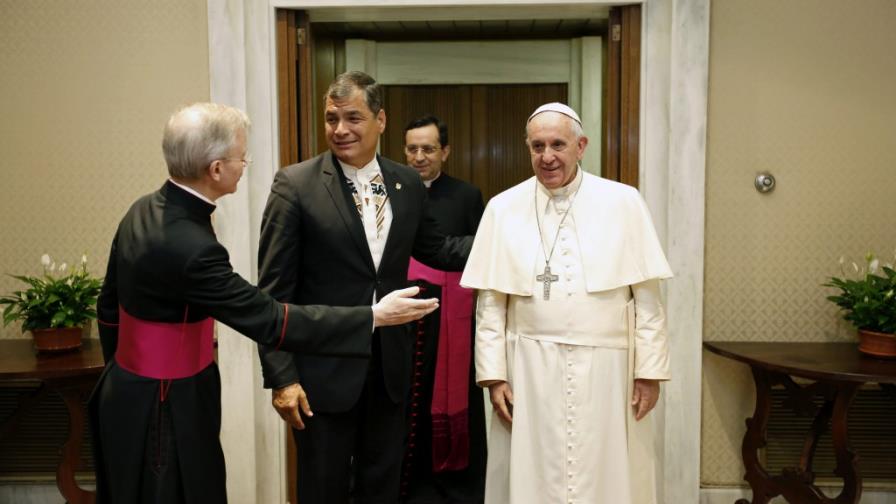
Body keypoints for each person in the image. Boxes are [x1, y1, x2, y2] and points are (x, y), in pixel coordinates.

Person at [89, 102, 438, 504]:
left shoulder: (143, 208)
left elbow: (108, 307)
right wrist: (373, 317)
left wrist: (124, 369)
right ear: (216, 169)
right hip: (167, 403)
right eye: (242, 157)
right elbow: (271, 318)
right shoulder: (193, 247)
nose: (245, 164)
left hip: (125, 388)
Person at [256, 72, 472, 503]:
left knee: (383, 487)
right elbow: (273, 294)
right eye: (331, 118)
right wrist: (282, 378)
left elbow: (439, 249)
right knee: (323, 489)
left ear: (381, 120)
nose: (340, 129)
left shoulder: (406, 183)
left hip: (390, 371)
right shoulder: (295, 185)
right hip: (321, 374)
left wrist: (510, 237)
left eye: (353, 117)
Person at [460, 102, 673, 504]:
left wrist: (649, 371)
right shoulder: (503, 209)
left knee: (607, 475)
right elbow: (490, 304)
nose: (547, 156)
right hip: (529, 368)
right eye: (537, 146)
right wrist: (493, 376)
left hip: (609, 368)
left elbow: (648, 300)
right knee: (533, 476)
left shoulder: (623, 202)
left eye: (558, 144)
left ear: (581, 145)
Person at [400, 115, 486, 503]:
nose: (419, 157)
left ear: (445, 152)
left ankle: (460, 485)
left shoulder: (466, 195)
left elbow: (481, 255)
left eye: (428, 149)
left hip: (457, 316)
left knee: (460, 393)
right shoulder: (394, 191)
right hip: (407, 315)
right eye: (412, 149)